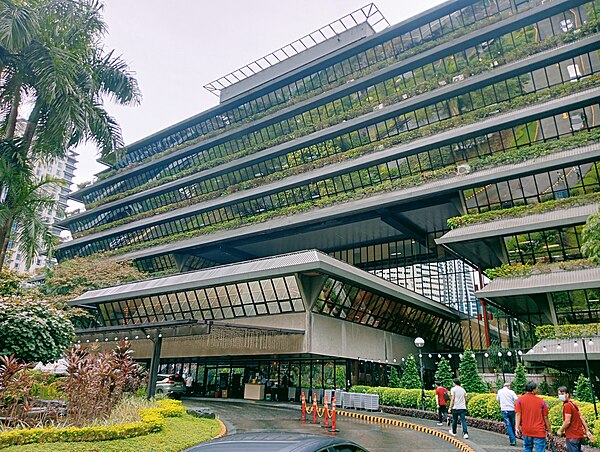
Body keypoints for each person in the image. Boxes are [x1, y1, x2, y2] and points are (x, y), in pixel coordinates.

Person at [515, 381, 551, 452]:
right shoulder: (541, 402)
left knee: (527, 448)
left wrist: (517, 426)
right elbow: (546, 417)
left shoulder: (519, 400)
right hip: (539, 431)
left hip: (526, 430)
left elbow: (518, 414)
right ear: (534, 390)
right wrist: (549, 431)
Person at [556, 386, 595, 452]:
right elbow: (581, 417)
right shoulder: (572, 403)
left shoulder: (567, 405)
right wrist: (587, 430)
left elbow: (567, 421)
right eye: (559, 394)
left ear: (567, 394)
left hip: (572, 436)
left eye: (562, 394)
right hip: (579, 435)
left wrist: (560, 430)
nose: (560, 396)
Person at [497, 382, 519, 446]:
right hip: (511, 410)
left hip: (504, 410)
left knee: (508, 425)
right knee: (512, 424)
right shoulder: (511, 392)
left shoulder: (500, 391)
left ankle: (512, 440)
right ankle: (513, 438)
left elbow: (497, 399)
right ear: (508, 386)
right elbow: (517, 399)